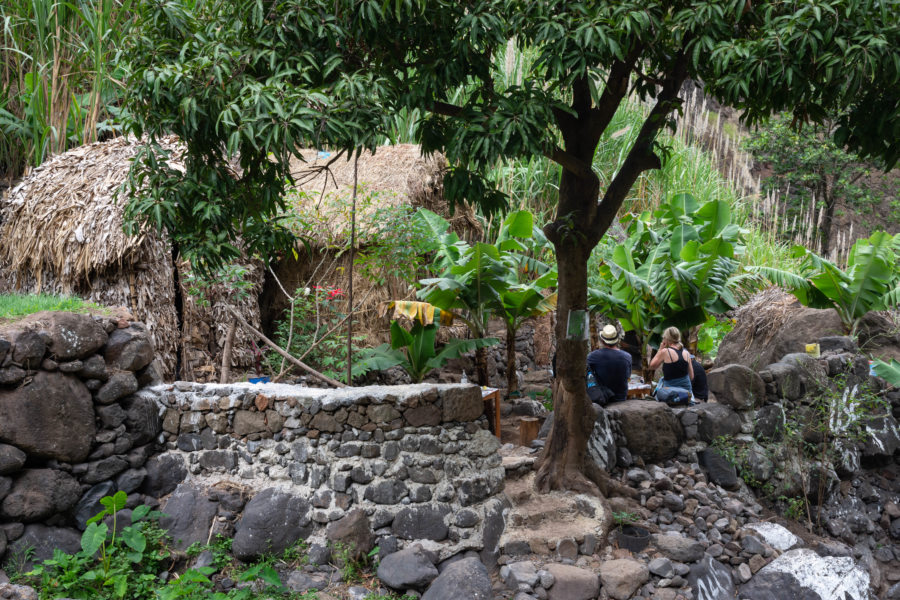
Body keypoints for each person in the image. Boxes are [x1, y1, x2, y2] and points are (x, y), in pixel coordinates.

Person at [587, 324, 632, 403]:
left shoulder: (594, 356)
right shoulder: (627, 356)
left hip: (602, 398)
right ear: (617, 340)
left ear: (602, 341)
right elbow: (627, 376)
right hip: (621, 398)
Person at [649, 326, 694, 395]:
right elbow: (691, 376)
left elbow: (652, 366)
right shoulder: (687, 353)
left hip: (671, 392)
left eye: (664, 338)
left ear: (667, 338)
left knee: (658, 392)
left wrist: (660, 350)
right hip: (686, 392)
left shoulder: (665, 351)